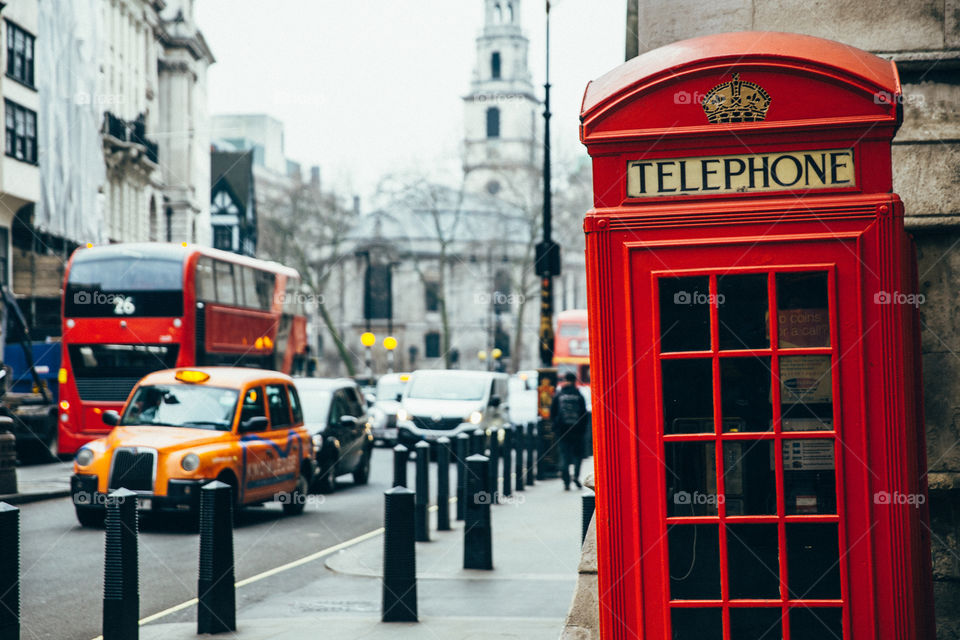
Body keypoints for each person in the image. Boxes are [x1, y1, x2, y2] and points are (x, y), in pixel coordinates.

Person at [551, 372, 588, 490]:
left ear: (565, 380)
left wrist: (556, 428)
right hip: (577, 431)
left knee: (564, 455)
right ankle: (576, 476)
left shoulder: (559, 395)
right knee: (578, 456)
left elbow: (553, 413)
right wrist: (583, 430)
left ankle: (566, 481)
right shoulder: (578, 395)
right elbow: (584, 414)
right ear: (574, 381)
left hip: (562, 431)